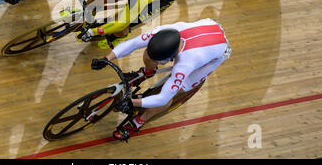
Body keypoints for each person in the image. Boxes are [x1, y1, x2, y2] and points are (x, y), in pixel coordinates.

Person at [91, 18, 231, 141]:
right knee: (149, 53)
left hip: (218, 49)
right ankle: (148, 71)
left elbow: (163, 98)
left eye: (159, 61)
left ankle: (140, 121)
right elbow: (133, 43)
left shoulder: (186, 63)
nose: (157, 62)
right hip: (207, 26)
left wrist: (133, 102)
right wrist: (107, 58)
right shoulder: (165, 31)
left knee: (176, 90)